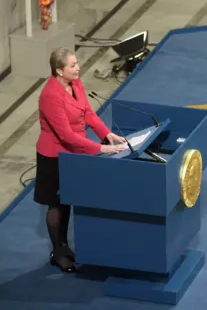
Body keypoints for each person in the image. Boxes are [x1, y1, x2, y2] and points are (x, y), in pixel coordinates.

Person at [34, 48, 126, 273]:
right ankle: (57, 252)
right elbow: (65, 135)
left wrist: (106, 133)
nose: (77, 68)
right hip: (54, 155)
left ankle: (65, 246)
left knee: (69, 200)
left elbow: (88, 113)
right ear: (59, 70)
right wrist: (101, 148)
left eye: (76, 64)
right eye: (72, 65)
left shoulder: (75, 84)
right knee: (56, 204)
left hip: (75, 151)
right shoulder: (50, 96)